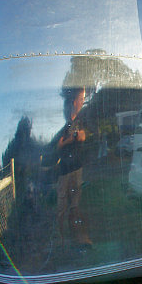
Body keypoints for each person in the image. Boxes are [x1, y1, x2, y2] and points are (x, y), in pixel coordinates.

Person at [56, 87, 93, 250]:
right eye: (81, 99)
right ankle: (61, 240)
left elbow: (83, 136)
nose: (83, 102)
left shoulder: (81, 120)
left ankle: (79, 237)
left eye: (84, 99)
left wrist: (76, 137)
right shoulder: (63, 124)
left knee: (76, 205)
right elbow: (58, 146)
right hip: (64, 171)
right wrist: (70, 139)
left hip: (77, 168)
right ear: (74, 102)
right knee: (62, 207)